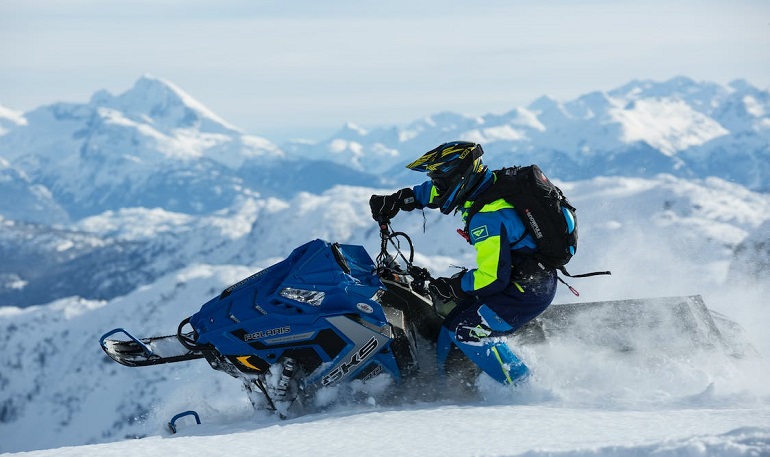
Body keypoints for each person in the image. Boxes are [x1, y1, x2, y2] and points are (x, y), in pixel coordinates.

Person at [369, 141, 557, 385]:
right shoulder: (487, 186)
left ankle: (525, 389)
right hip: (522, 278)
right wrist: (400, 199)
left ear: (458, 177)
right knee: (451, 324)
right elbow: (438, 192)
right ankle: (455, 389)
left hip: (526, 290)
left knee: (466, 330)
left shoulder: (487, 217)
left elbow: (491, 278)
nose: (436, 185)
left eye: (439, 179)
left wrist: (455, 286)